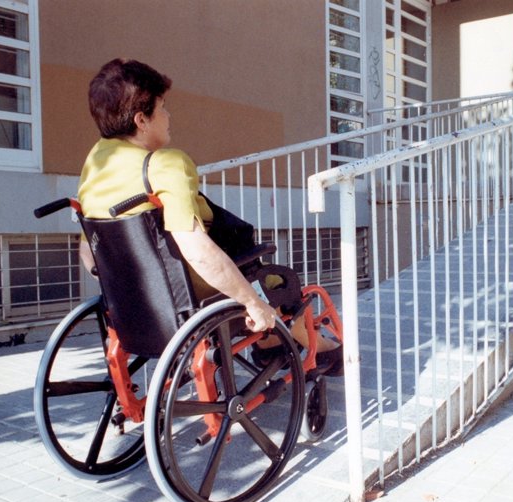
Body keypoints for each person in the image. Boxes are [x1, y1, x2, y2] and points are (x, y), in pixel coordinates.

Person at [78, 58, 342, 375]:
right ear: (141, 121)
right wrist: (250, 302)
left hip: (140, 301)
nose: (168, 115)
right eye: (162, 108)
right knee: (281, 282)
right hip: (192, 290)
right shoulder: (163, 164)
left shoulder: (96, 165)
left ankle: (270, 345)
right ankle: (318, 349)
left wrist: (128, 284)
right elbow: (195, 248)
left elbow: (89, 250)